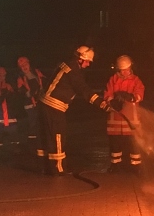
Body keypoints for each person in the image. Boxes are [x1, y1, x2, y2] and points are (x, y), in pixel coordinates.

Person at [37, 45, 109, 176]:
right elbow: (83, 89)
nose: (88, 65)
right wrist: (102, 103)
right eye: (87, 61)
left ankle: (45, 166)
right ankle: (58, 169)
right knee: (57, 136)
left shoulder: (66, 65)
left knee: (46, 136)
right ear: (79, 59)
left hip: (45, 103)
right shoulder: (73, 71)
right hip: (54, 106)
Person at [104, 54, 145, 173]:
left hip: (131, 118)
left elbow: (140, 94)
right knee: (115, 143)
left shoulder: (136, 80)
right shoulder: (113, 79)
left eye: (126, 70)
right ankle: (116, 165)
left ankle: (135, 166)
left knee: (133, 142)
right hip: (115, 116)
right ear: (118, 69)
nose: (125, 72)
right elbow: (107, 94)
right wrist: (112, 101)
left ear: (130, 68)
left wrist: (131, 97)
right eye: (122, 70)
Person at [15, 56, 44, 150]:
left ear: (29, 63)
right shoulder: (21, 78)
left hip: (40, 102)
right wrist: (32, 93)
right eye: (21, 65)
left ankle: (40, 143)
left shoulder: (35, 72)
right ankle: (32, 146)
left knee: (40, 123)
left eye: (25, 64)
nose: (24, 67)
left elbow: (42, 84)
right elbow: (23, 93)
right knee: (32, 124)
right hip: (30, 104)